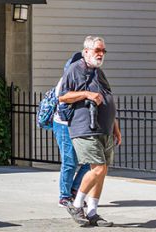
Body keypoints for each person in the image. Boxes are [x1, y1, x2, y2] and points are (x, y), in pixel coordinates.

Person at [59, 36, 121, 228]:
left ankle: (93, 211)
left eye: (103, 51)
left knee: (102, 172)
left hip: (104, 129)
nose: (101, 54)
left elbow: (107, 99)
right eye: (97, 50)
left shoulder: (98, 72)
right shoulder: (75, 69)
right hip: (85, 127)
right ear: (86, 51)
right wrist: (86, 94)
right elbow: (63, 97)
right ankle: (77, 205)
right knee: (98, 168)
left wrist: (115, 128)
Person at [53, 51, 89, 207]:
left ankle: (74, 189)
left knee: (90, 162)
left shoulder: (87, 79)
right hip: (64, 124)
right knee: (70, 162)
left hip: (80, 125)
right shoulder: (66, 80)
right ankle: (64, 196)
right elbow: (63, 98)